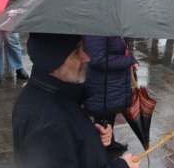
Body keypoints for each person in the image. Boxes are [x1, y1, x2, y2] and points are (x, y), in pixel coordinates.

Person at [12, 33, 139, 168]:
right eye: (77, 52)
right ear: (53, 60)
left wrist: (92, 137)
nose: (86, 57)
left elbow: (70, 146)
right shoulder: (48, 125)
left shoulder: (56, 97)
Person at [83, 36, 139, 153]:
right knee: (102, 119)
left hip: (113, 84)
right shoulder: (97, 30)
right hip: (102, 85)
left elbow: (124, 47)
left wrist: (132, 59)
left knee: (110, 114)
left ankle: (110, 143)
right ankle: (101, 151)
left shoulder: (115, 28)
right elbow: (97, 59)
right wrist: (128, 60)